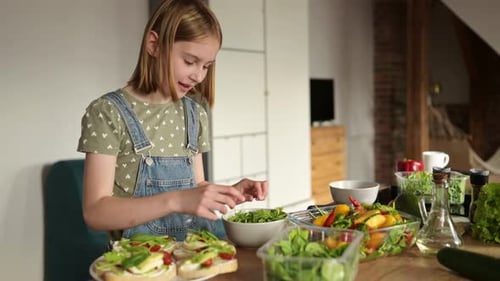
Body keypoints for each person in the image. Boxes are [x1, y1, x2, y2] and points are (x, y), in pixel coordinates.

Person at [77, 0, 268, 241]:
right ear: (154, 45)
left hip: (194, 254)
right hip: (139, 266)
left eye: (206, 66)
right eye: (189, 61)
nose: (198, 75)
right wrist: (175, 200)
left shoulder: (194, 114)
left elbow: (195, 186)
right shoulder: (107, 112)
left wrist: (228, 193)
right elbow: (95, 213)